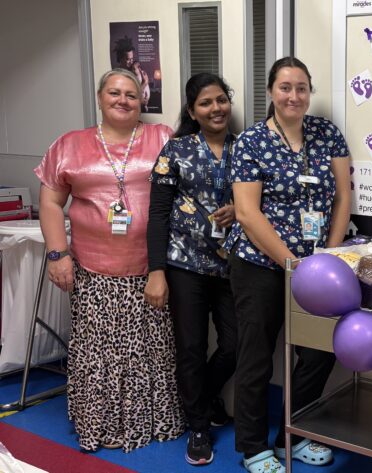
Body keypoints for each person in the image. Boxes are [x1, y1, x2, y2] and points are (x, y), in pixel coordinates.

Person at [35, 68, 184, 452]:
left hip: (153, 269)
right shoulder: (69, 145)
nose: (123, 100)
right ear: (100, 98)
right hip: (91, 269)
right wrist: (57, 254)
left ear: (142, 101)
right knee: (97, 352)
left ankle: (150, 422)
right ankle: (98, 423)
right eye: (115, 93)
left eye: (131, 95)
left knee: (150, 349)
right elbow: (51, 203)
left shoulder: (162, 137)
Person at [224, 57, 351, 473]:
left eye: (301, 87)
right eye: (284, 87)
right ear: (270, 93)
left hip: (319, 266)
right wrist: (293, 263)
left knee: (319, 351)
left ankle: (292, 435)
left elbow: (343, 197)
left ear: (309, 92)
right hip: (260, 264)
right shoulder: (251, 141)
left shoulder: (326, 133)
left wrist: (328, 257)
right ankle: (254, 447)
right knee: (256, 355)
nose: (293, 95)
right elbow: (246, 212)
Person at [144, 72, 237, 465]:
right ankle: (198, 426)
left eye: (221, 100)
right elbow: (158, 215)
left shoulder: (246, 148)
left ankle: (206, 395)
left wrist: (241, 210)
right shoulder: (175, 151)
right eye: (205, 103)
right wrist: (156, 270)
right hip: (185, 265)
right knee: (191, 349)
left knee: (236, 345)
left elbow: (266, 202)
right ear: (192, 111)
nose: (215, 108)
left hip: (233, 266)